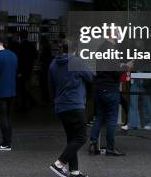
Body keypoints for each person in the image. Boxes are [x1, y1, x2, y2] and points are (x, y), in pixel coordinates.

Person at [48, 39, 92, 177]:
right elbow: (90, 77)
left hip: (61, 106)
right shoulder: (76, 61)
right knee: (82, 137)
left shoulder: (53, 64)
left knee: (72, 138)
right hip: (75, 105)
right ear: (76, 49)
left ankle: (74, 171)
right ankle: (59, 163)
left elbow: (51, 87)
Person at [89, 38, 127, 156]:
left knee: (99, 117)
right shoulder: (112, 49)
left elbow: (106, 66)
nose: (119, 33)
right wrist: (125, 66)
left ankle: (93, 143)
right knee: (112, 119)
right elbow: (115, 71)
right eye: (117, 31)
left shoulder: (101, 48)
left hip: (100, 88)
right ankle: (110, 148)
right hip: (110, 88)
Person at [17, 30, 37, 111]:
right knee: (25, 87)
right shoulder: (31, 45)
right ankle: (30, 102)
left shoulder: (20, 45)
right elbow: (35, 56)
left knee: (21, 87)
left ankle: (24, 105)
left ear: (20, 36)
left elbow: (20, 59)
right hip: (29, 69)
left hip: (22, 70)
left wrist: (19, 71)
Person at [39, 37, 53, 104]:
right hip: (47, 67)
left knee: (44, 82)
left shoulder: (44, 49)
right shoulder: (48, 48)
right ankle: (47, 97)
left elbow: (41, 58)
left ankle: (45, 97)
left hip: (44, 67)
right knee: (46, 82)